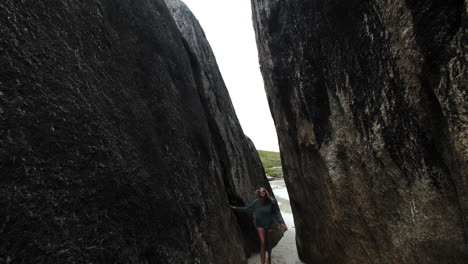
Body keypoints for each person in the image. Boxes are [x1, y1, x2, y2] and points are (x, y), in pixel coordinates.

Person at [230, 187, 287, 264]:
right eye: (260, 192)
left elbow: (275, 213)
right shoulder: (256, 202)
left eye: (263, 191)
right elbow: (247, 209)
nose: (262, 192)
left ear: (266, 192)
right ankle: (262, 262)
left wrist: (281, 223)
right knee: (263, 243)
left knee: (269, 244)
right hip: (259, 225)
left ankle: (269, 257)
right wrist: (235, 208)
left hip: (269, 224)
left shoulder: (271, 202)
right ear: (259, 193)